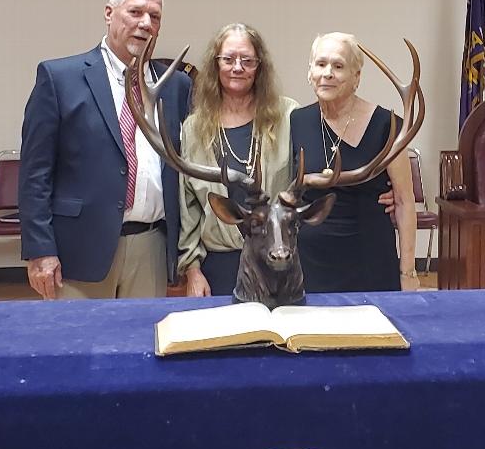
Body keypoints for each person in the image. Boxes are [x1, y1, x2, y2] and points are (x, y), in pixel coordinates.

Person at [19, 0, 192, 300]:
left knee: (142, 346)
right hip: (79, 250)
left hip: (151, 246)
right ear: (109, 13)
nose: (145, 24)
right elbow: (34, 174)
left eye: (155, 17)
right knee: (79, 348)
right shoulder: (60, 79)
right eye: (136, 12)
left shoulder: (176, 86)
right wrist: (40, 249)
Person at [290, 32, 419, 293]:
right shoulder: (296, 121)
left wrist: (408, 273)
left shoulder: (387, 124)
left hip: (370, 261)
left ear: (356, 77)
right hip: (310, 265)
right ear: (310, 72)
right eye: (320, 64)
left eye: (338, 66)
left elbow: (404, 201)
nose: (327, 73)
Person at [178, 23, 297, 297]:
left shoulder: (289, 116)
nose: (237, 67)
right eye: (228, 59)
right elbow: (188, 208)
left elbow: (315, 168)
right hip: (218, 264)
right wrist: (193, 270)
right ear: (215, 64)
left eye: (247, 60)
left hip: (278, 260)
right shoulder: (194, 129)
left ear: (260, 67)